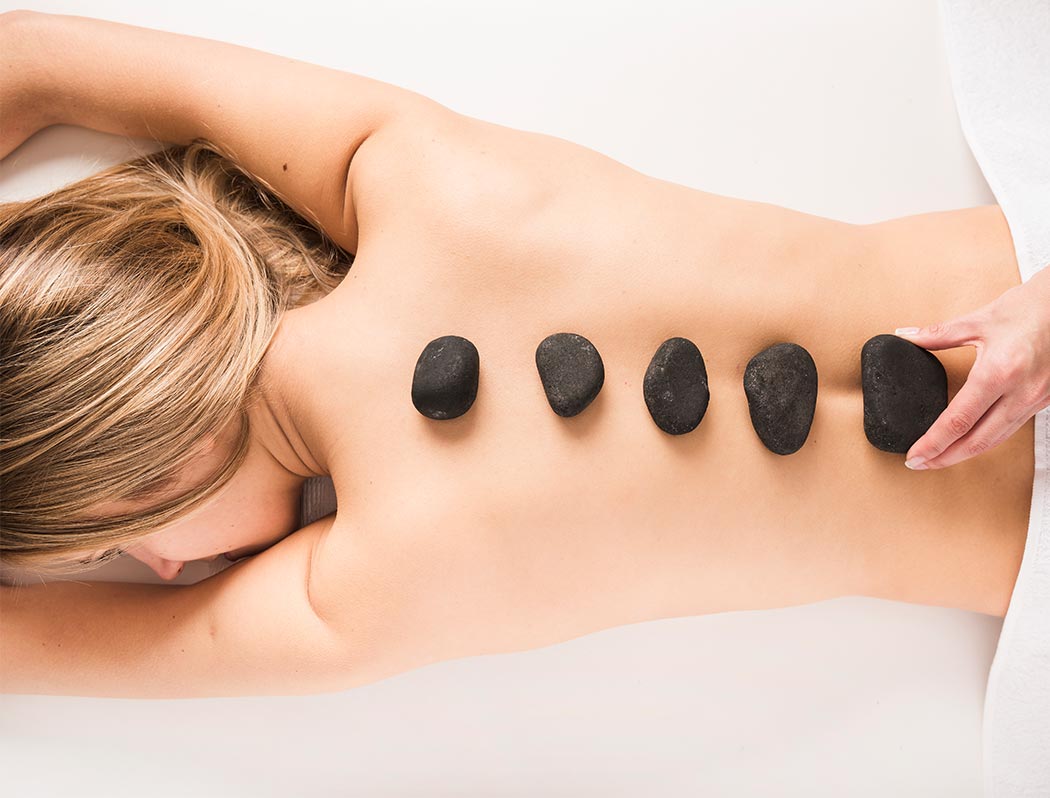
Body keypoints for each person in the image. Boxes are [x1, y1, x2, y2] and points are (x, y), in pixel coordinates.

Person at [0, 9, 1047, 700]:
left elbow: (27, 648)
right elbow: (32, 59)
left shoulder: (357, 597)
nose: (164, 569)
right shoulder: (412, 177)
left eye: (109, 545)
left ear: (138, 450)